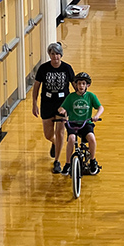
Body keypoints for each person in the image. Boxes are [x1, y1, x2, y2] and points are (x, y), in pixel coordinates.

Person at [32, 42, 75, 173]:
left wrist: (77, 101)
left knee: (60, 131)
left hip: (63, 103)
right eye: (52, 54)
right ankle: (55, 143)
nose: (55, 57)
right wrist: (34, 103)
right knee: (48, 134)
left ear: (61, 55)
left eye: (57, 54)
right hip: (47, 102)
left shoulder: (67, 68)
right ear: (49, 55)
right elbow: (36, 86)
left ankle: (57, 161)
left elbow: (74, 85)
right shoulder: (43, 68)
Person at [58, 72, 104, 175]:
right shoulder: (71, 97)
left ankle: (92, 160)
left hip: (86, 123)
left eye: (83, 84)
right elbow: (62, 107)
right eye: (79, 84)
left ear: (87, 85)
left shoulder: (91, 96)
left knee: (91, 138)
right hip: (73, 123)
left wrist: (96, 116)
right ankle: (68, 163)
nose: (81, 86)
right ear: (76, 85)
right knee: (71, 139)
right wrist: (62, 111)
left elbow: (100, 107)